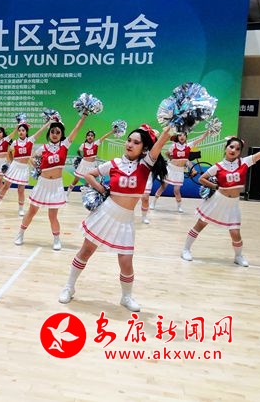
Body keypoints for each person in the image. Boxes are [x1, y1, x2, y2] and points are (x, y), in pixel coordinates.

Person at [58, 124, 170, 311]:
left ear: (144, 148)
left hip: (126, 220)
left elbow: (161, 141)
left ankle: (126, 297)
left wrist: (171, 126)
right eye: (129, 140)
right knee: (85, 251)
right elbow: (89, 175)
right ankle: (69, 287)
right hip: (105, 213)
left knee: (126, 262)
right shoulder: (115, 163)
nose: (130, 144)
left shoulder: (145, 164)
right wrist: (102, 189)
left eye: (136, 142)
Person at [181, 135, 260, 266]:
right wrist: (215, 186)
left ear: (240, 152)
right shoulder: (218, 166)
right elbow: (202, 179)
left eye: (238, 149)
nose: (234, 150)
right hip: (217, 201)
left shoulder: (245, 162)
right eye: (231, 147)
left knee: (235, 233)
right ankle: (186, 249)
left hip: (233, 204)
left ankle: (238, 256)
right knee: (200, 224)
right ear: (226, 148)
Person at [13, 113, 87, 250]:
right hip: (43, 184)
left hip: (56, 185)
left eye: (58, 132)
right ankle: (20, 234)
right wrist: (37, 167)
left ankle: (57, 240)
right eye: (52, 132)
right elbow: (31, 157)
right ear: (49, 133)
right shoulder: (43, 148)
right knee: (32, 211)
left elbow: (76, 129)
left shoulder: (65, 145)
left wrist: (84, 116)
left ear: (61, 134)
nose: (55, 134)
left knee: (53, 215)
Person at [0, 120, 51, 216]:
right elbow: (9, 152)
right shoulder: (15, 142)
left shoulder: (30, 140)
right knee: (6, 186)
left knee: (21, 190)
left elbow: (40, 131)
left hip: (24, 168)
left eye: (23, 130)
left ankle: (21, 209)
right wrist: (10, 162)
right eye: (19, 130)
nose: (21, 132)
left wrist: (48, 123)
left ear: (26, 132)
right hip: (14, 166)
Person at [151, 130, 209, 212]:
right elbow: (167, 153)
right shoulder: (173, 146)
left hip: (179, 171)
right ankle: (153, 203)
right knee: (163, 186)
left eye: (184, 135)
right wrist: (171, 159)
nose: (182, 137)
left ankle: (179, 207)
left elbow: (201, 139)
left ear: (186, 137)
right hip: (171, 168)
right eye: (180, 135)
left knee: (176, 190)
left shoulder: (189, 145)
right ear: (177, 137)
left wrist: (207, 132)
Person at [67, 127, 115, 196]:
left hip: (91, 165)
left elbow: (104, 137)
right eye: (88, 135)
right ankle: (67, 195)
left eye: (92, 136)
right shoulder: (83, 145)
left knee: (89, 182)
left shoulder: (96, 143)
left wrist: (112, 131)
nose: (90, 137)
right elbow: (78, 151)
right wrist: (81, 158)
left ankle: (85, 197)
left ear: (94, 138)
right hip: (83, 164)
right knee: (75, 181)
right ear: (86, 137)